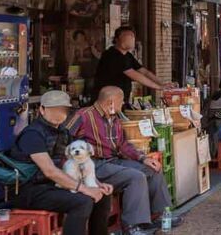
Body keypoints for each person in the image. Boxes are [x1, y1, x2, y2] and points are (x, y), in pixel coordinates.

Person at [69, 86, 177, 235]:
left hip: (114, 161)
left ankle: (158, 215)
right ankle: (133, 226)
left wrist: (143, 158)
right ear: (110, 102)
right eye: (121, 101)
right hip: (95, 165)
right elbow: (64, 137)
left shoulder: (114, 118)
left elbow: (123, 145)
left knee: (153, 169)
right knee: (135, 177)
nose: (123, 104)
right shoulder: (84, 115)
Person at [7, 90, 114, 235]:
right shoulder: (32, 134)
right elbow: (49, 170)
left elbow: (79, 161)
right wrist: (84, 188)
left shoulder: (63, 132)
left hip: (52, 186)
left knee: (102, 196)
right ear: (42, 109)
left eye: (62, 110)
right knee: (82, 201)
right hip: (30, 190)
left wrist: (96, 184)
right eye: (53, 110)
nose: (58, 114)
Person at [94, 26, 175, 102]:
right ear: (117, 39)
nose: (131, 38)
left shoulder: (128, 55)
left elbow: (144, 71)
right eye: (127, 35)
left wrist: (162, 83)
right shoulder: (111, 54)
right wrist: (158, 87)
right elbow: (135, 75)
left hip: (120, 99)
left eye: (132, 36)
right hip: (106, 100)